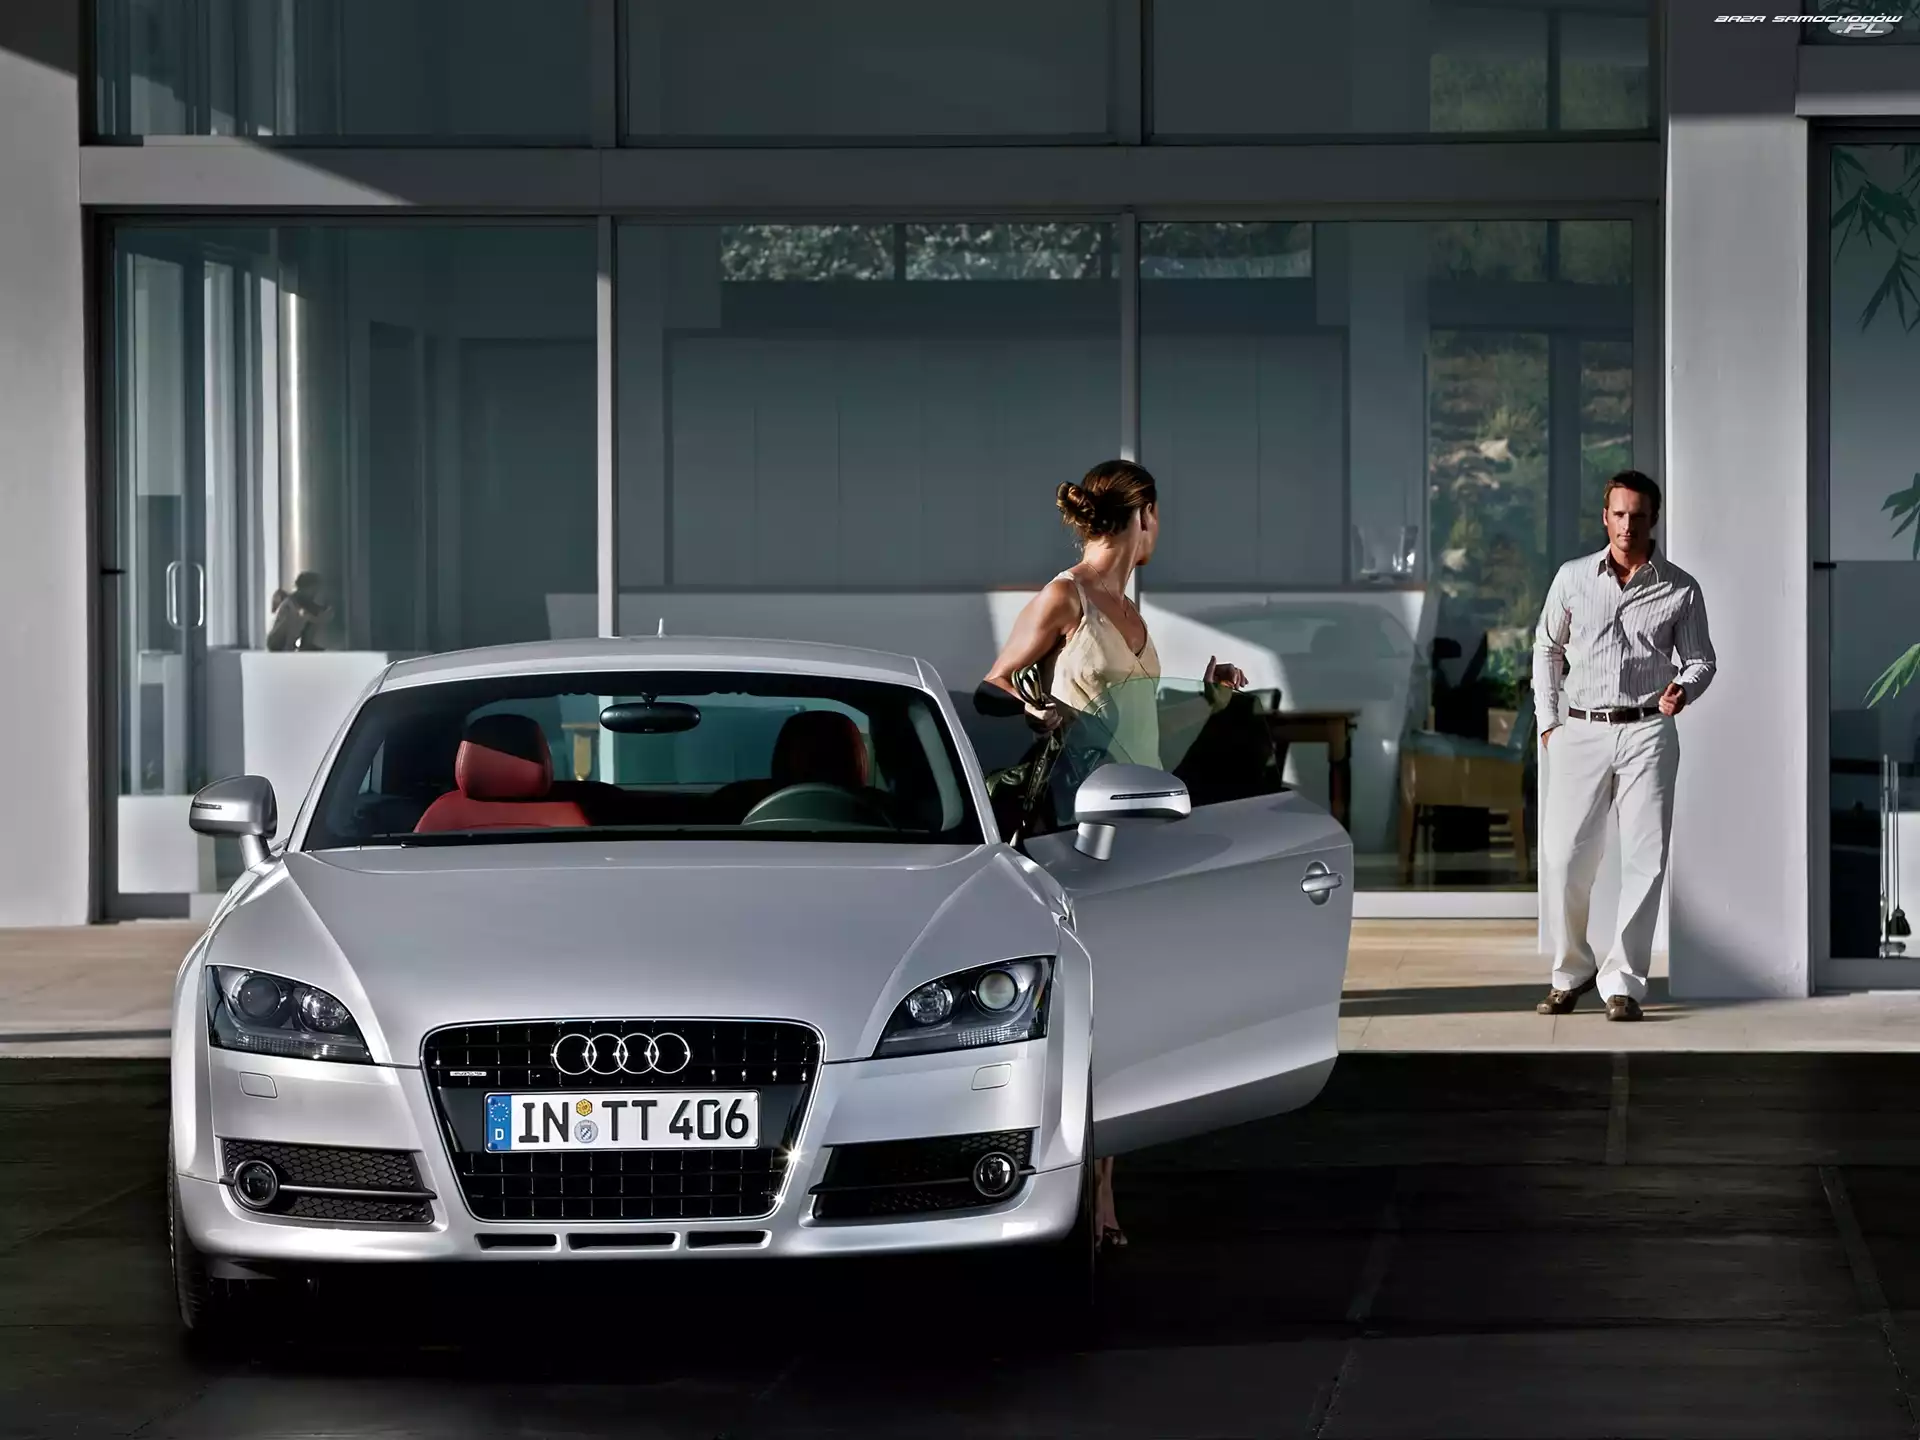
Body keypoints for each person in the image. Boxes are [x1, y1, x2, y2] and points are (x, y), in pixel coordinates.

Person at [982, 459, 1247, 1249]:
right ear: (1145, 516)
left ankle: (1103, 1193)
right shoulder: (1064, 597)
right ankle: (1074, 1191)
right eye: (1160, 518)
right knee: (1086, 1016)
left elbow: (1143, 732)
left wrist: (1210, 697)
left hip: (1143, 832)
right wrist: (1035, 711)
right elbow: (995, 683)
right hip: (1078, 835)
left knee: (1128, 1017)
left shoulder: (1131, 611)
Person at [1531, 470, 1716, 1021]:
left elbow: (1702, 659)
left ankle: (1624, 984)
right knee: (1563, 857)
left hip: (1647, 732)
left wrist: (1684, 689)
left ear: (1653, 519)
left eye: (1637, 515)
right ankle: (1572, 970)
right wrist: (1549, 723)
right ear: (1605, 517)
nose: (1627, 525)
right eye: (1619, 514)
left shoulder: (1681, 588)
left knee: (1645, 861)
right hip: (1581, 729)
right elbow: (1547, 648)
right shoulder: (1572, 578)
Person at [266, 572, 330, 652]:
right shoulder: (290, 605)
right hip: (279, 646)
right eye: (313, 589)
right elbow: (303, 615)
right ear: (304, 588)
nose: (315, 593)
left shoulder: (305, 603)